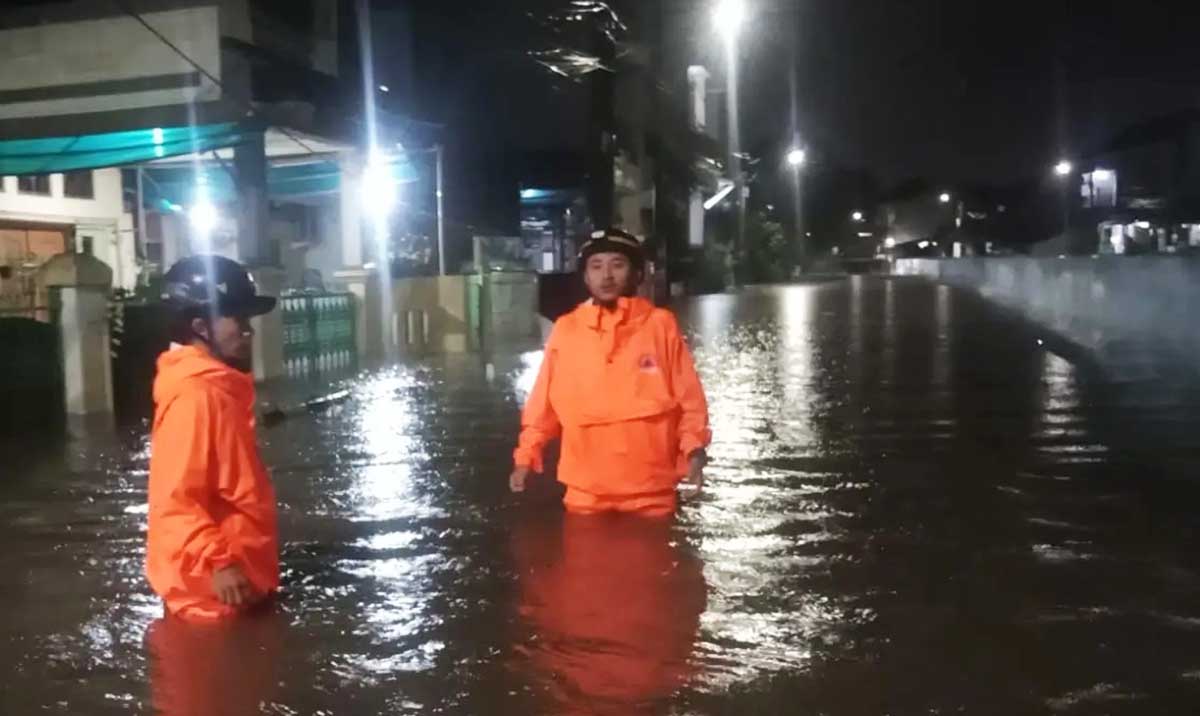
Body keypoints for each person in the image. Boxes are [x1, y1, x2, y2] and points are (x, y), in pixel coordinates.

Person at [509, 228, 711, 516]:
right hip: (585, 491)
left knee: (653, 559)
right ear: (585, 276)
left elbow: (690, 401)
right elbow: (542, 405)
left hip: (651, 491)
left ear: (636, 273)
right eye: (596, 266)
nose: (606, 276)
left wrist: (694, 451)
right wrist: (525, 457)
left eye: (617, 264)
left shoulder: (660, 326)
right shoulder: (567, 329)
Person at [146, 255, 279, 622]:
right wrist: (219, 562)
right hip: (214, 595)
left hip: (234, 584)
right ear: (200, 326)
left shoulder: (217, 390)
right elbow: (174, 498)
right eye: (238, 319)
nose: (248, 331)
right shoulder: (197, 396)